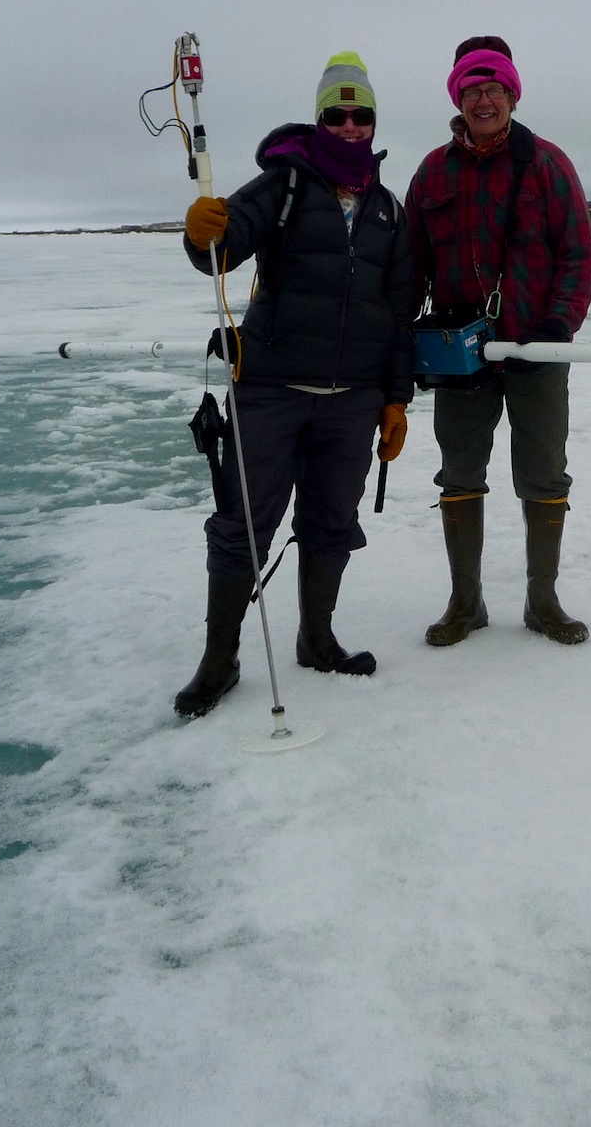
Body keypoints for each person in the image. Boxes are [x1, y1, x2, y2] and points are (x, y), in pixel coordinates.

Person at [172, 51, 414, 718]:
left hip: (353, 401)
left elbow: (398, 316)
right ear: (319, 120)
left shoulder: (389, 211)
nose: (348, 126)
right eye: (336, 115)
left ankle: (317, 639)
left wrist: (396, 399)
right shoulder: (283, 185)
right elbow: (222, 247)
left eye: (359, 116)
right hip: (272, 390)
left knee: (332, 522)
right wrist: (199, 235)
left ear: (373, 123)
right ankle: (219, 660)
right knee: (243, 525)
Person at [404, 36, 591, 648]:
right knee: (459, 469)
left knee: (544, 472)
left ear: (512, 95)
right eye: (472, 91)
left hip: (537, 347)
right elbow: (410, 264)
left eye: (493, 89)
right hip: (460, 353)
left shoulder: (547, 164)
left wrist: (557, 327)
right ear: (458, 99)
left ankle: (543, 600)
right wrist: (401, 333)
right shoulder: (433, 171)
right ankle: (466, 602)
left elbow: (577, 254)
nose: (483, 101)